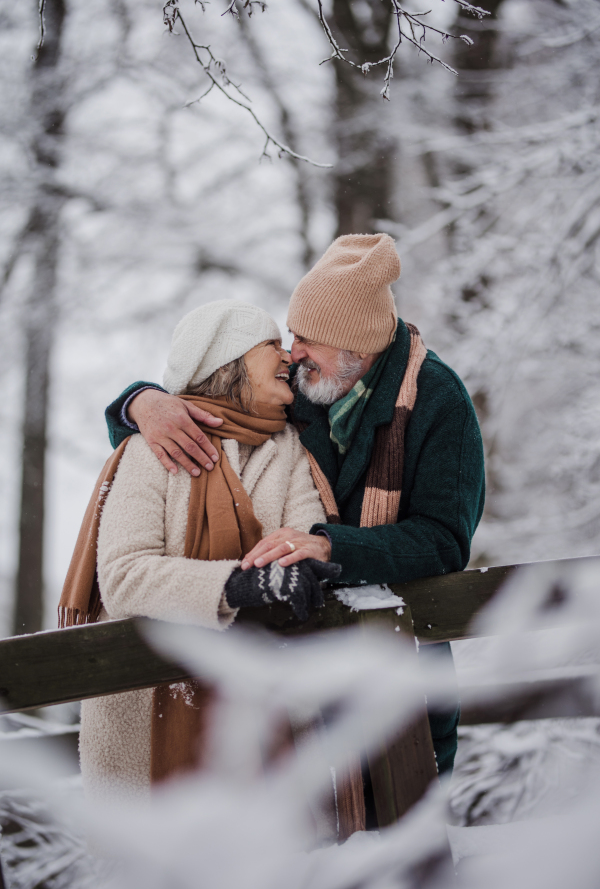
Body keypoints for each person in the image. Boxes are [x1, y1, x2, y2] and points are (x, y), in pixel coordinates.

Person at [104, 233, 486, 776]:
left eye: (307, 336)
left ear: (354, 343)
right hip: (301, 678)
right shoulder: (309, 384)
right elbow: (212, 402)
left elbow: (444, 542)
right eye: (291, 334)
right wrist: (139, 402)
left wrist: (333, 544)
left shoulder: (439, 404)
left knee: (405, 832)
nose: (292, 351)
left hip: (401, 668)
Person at [59, 300, 339, 802]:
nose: (288, 357)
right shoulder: (150, 448)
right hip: (149, 712)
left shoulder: (293, 449)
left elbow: (300, 540)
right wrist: (238, 584)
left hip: (265, 708)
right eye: (271, 343)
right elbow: (124, 576)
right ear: (227, 359)